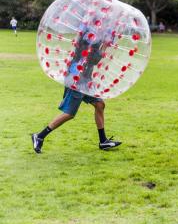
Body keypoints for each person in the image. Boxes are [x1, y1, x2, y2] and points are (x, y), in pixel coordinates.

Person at [31, 17, 122, 154]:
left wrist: (105, 43)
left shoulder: (96, 36)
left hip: (85, 77)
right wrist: (105, 44)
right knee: (69, 113)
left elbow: (95, 60)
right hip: (76, 77)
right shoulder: (88, 37)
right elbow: (94, 58)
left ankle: (103, 141)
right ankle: (39, 136)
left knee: (99, 105)